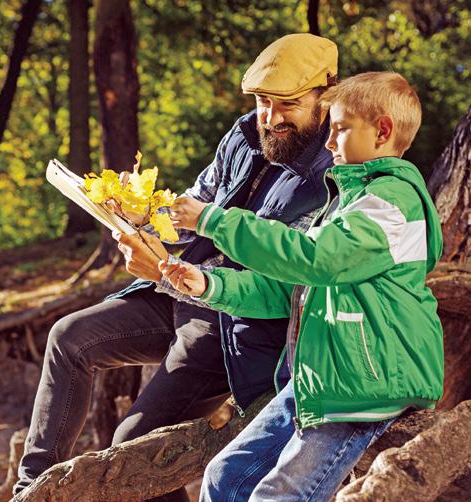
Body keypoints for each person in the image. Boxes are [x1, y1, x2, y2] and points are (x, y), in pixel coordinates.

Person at [14, 34, 338, 500]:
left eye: (287, 104)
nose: (270, 117)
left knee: (133, 445)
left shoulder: (333, 174)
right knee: (70, 338)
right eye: (263, 102)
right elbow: (195, 205)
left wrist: (168, 271)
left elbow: (281, 285)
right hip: (180, 293)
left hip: (235, 325)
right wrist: (143, 214)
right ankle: (31, 490)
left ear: (326, 95)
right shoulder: (245, 134)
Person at [160, 71, 444, 501]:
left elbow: (314, 259)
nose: (328, 143)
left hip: (363, 387)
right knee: (224, 477)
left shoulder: (391, 203)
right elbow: (288, 288)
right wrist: (210, 285)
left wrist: (213, 220)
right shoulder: (349, 202)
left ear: (383, 131)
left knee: (277, 496)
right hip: (320, 378)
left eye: (340, 129)